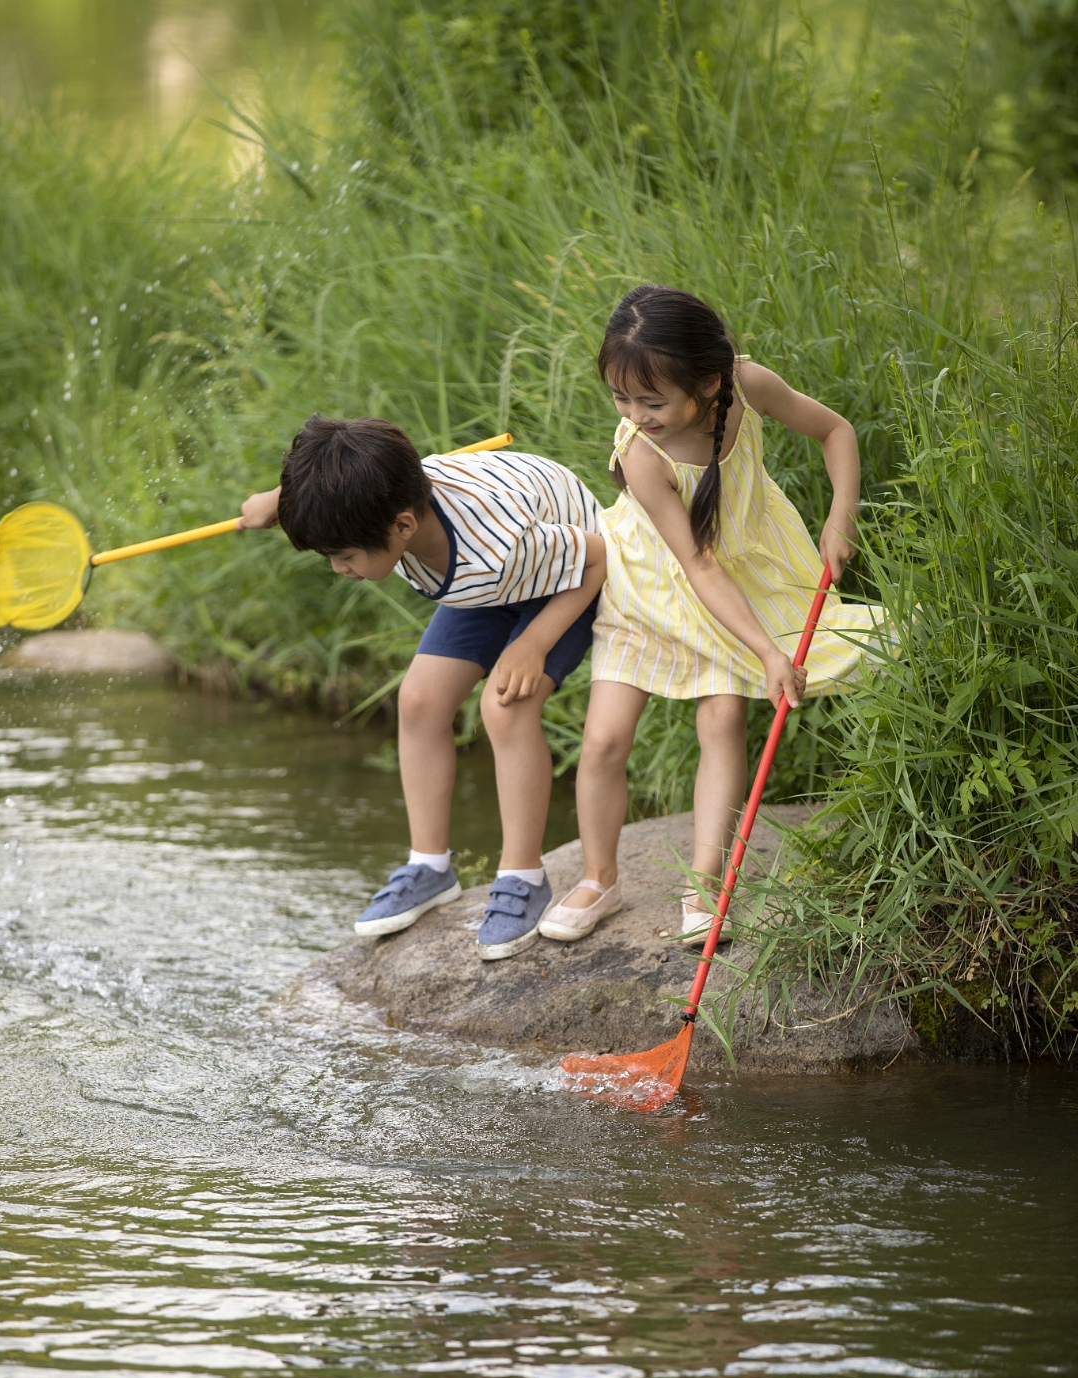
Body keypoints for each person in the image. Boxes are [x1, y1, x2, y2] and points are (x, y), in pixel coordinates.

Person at [539, 283, 879, 945]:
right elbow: (693, 565)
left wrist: (841, 515)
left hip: (740, 565)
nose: (635, 414)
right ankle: (598, 877)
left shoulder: (747, 384)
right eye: (620, 398)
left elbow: (836, 431)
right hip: (653, 576)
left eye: (652, 399)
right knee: (606, 737)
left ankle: (705, 886)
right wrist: (767, 651)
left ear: (710, 380)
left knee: (722, 717)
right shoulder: (642, 453)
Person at [240, 416, 605, 959]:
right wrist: (282, 499)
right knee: (419, 701)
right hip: (483, 584)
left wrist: (532, 643)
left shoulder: (497, 545)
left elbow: (598, 555)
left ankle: (524, 876)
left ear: (403, 526)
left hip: (564, 578)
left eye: (344, 556)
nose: (339, 569)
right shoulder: (388, 497)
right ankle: (430, 867)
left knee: (504, 705)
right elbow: (348, 456)